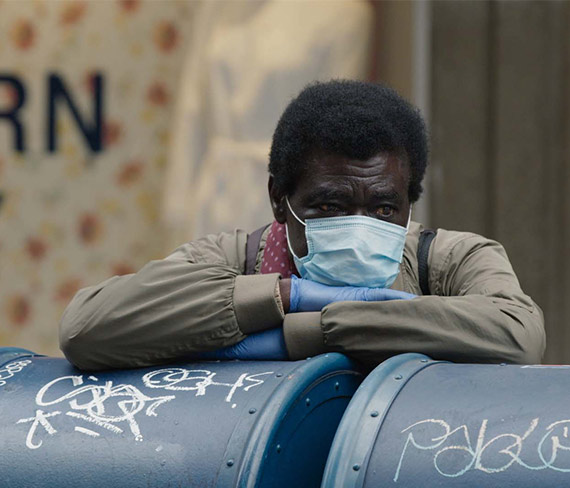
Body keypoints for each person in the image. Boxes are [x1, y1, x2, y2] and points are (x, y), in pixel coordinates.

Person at [59, 80, 545, 371]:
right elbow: (87, 328)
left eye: (383, 209)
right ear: (279, 200)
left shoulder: (449, 260)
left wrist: (308, 331)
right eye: (330, 206)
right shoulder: (234, 259)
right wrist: (286, 296)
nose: (360, 227)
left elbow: (516, 335)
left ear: (409, 203)